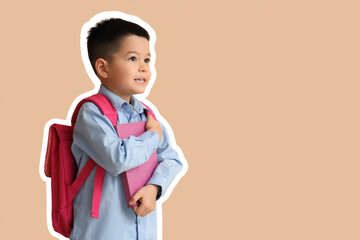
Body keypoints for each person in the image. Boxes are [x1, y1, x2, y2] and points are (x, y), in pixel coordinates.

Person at [70, 17, 183, 240]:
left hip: (143, 231)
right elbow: (117, 159)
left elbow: (171, 159)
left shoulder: (146, 114)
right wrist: (152, 136)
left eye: (148, 60)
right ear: (103, 67)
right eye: (133, 58)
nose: (144, 67)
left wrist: (154, 187)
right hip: (102, 232)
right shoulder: (92, 113)